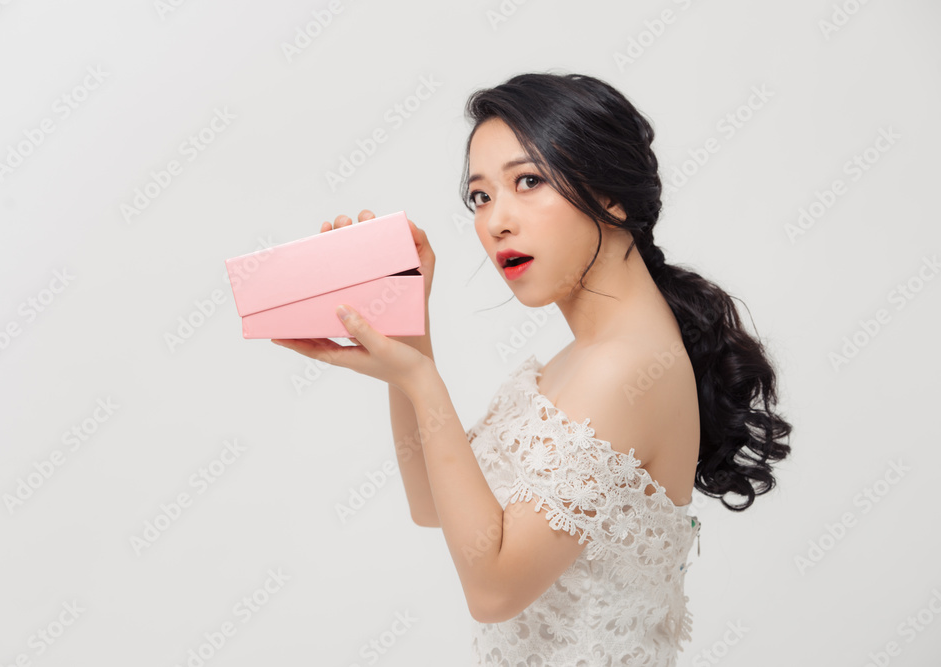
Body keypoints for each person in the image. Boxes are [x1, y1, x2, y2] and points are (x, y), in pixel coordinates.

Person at [271, 71, 792, 667]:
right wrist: (408, 335)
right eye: (481, 196)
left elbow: (494, 592)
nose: (496, 222)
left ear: (611, 195)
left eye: (528, 181)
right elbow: (434, 506)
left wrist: (420, 380)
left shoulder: (623, 370)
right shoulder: (588, 358)